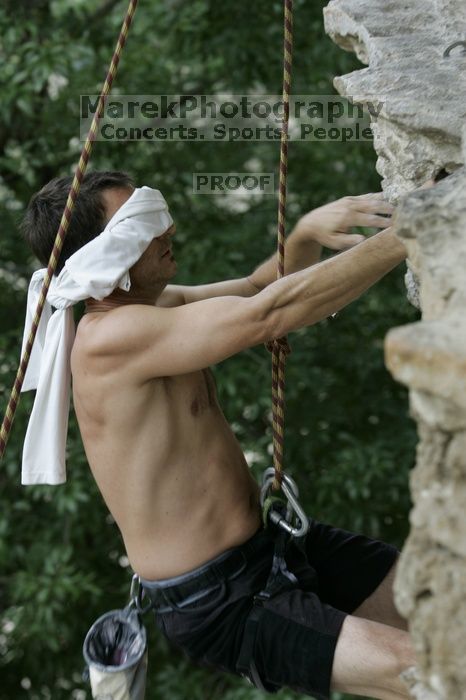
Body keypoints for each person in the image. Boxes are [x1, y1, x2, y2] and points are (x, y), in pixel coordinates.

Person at [21, 170, 416, 700]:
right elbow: (270, 313)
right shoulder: (107, 339)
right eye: (141, 226)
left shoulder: (151, 308)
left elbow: (258, 290)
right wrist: (418, 230)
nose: (167, 230)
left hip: (269, 547)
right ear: (103, 257)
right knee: (426, 671)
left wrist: (301, 235)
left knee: (444, 602)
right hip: (219, 602)